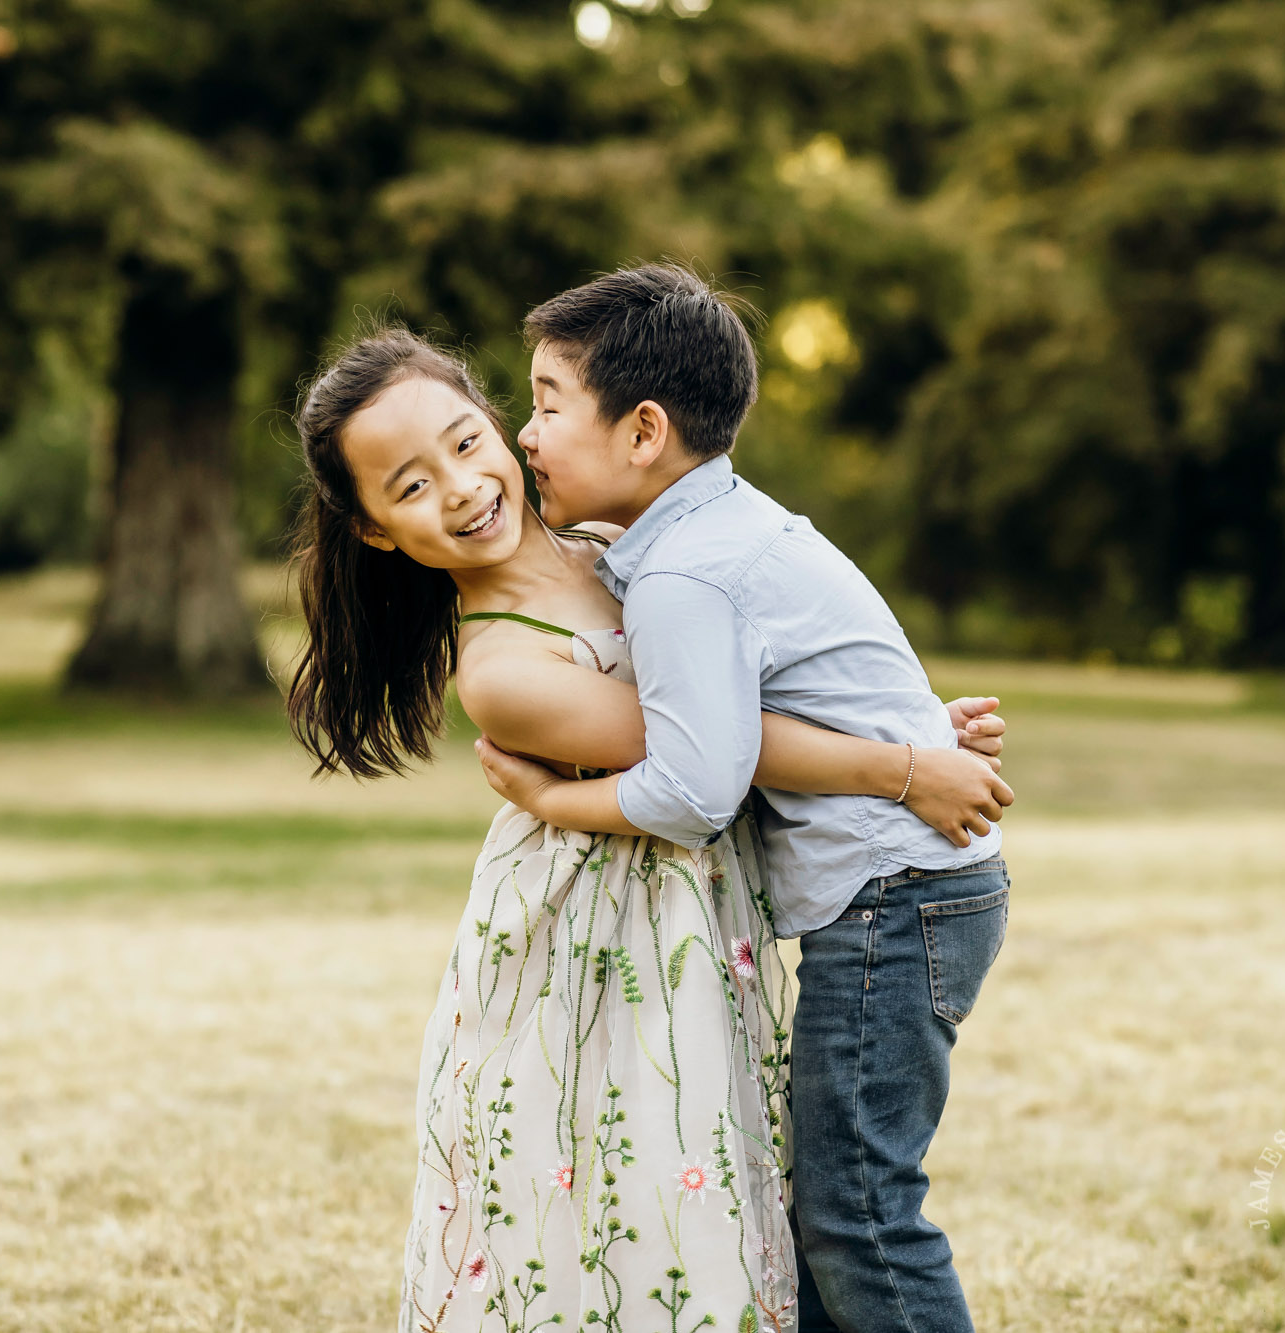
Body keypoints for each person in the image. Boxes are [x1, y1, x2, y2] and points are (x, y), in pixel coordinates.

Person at [283, 328, 1012, 1333]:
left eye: (463, 442)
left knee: (748, 1187)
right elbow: (716, 742)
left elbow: (769, 663)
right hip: (601, 948)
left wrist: (915, 723)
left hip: (697, 914)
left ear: (500, 426)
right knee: (634, 1198)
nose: (456, 487)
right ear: (373, 531)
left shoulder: (620, 546)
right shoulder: (500, 670)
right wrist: (898, 768)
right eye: (407, 488)